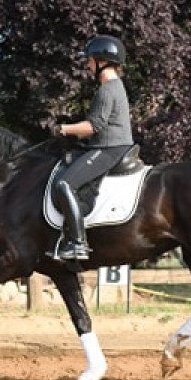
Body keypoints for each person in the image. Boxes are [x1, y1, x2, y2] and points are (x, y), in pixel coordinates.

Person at [49, 35, 135, 260]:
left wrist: (63, 129)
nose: (87, 65)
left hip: (110, 148)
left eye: (90, 60)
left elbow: (92, 127)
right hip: (110, 145)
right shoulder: (114, 86)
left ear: (102, 61)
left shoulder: (107, 89)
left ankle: (78, 243)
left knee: (65, 184)